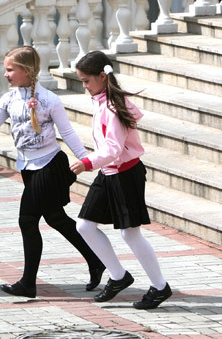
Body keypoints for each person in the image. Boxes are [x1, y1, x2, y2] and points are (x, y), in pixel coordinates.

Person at [0, 46, 104, 298]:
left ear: (27, 71)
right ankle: (96, 261)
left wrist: (88, 161)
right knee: (55, 218)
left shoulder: (49, 100)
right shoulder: (9, 99)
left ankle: (28, 283)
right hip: (28, 169)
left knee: (27, 220)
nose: (6, 74)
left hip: (50, 167)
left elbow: (67, 133)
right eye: (5, 69)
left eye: (10, 69)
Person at [70, 50, 172, 310]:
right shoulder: (104, 100)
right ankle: (118, 276)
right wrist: (91, 162)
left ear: (102, 77)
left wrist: (86, 163)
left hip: (125, 174)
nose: (84, 86)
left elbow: (114, 148)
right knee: (85, 226)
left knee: (131, 234)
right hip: (109, 172)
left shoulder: (114, 106)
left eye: (86, 80)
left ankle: (159, 287)